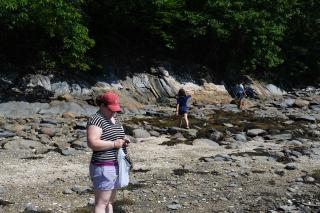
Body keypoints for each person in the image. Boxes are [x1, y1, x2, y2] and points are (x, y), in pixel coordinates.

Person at [87, 91, 130, 213]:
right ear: (102, 105)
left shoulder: (114, 118)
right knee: (101, 203)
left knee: (109, 202)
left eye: (115, 109)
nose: (113, 111)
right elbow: (92, 143)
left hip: (116, 164)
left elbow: (117, 135)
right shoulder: (96, 120)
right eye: (111, 109)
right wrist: (114, 144)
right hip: (103, 166)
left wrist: (124, 140)